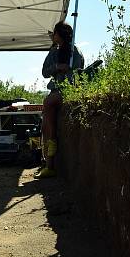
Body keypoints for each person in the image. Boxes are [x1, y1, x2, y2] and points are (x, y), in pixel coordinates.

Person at [36, 21, 84, 178]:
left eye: (55, 33)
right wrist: (56, 67)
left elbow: (78, 71)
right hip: (56, 89)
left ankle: (52, 144)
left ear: (60, 34)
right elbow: (44, 72)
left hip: (68, 90)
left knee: (48, 102)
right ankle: (47, 163)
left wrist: (68, 68)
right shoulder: (54, 52)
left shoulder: (74, 52)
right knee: (44, 125)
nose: (53, 36)